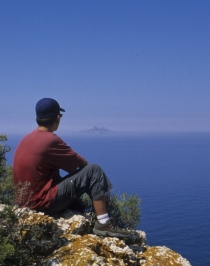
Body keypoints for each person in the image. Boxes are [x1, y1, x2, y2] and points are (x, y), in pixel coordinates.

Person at [13, 97, 132, 239]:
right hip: (41, 204)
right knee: (94, 170)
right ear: (57, 117)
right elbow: (81, 163)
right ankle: (104, 223)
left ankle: (78, 209)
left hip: (24, 203)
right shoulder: (50, 140)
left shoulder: (27, 138)